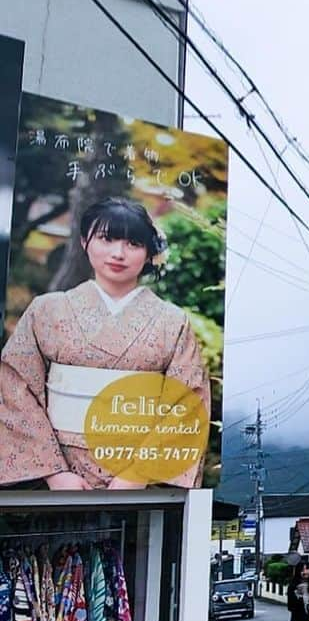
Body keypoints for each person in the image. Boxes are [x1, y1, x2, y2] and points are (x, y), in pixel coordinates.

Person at [0, 197, 211, 489]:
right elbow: (14, 386)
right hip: (58, 471)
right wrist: (53, 472)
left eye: (133, 244)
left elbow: (187, 404)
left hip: (139, 480)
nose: (118, 253)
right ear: (85, 241)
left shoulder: (173, 321)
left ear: (149, 253)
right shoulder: (46, 310)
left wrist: (138, 474)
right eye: (107, 239)